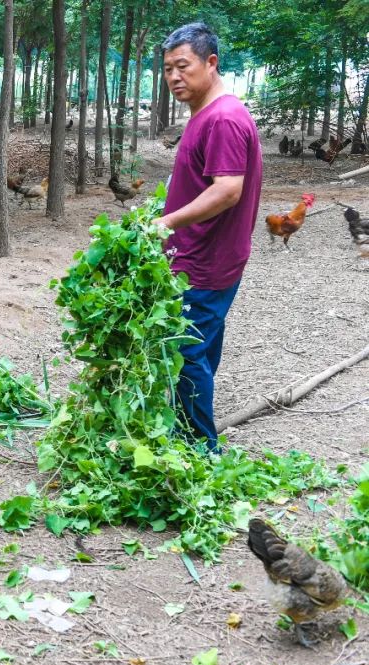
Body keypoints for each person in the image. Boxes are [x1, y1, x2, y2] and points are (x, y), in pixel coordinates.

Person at [152, 23, 262, 452]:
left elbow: (227, 190)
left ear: (211, 63)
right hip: (203, 256)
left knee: (184, 356)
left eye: (183, 66)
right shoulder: (207, 114)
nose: (175, 77)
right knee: (199, 349)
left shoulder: (222, 119)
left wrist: (166, 223)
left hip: (204, 262)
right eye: (167, 69)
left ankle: (199, 449)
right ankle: (190, 430)